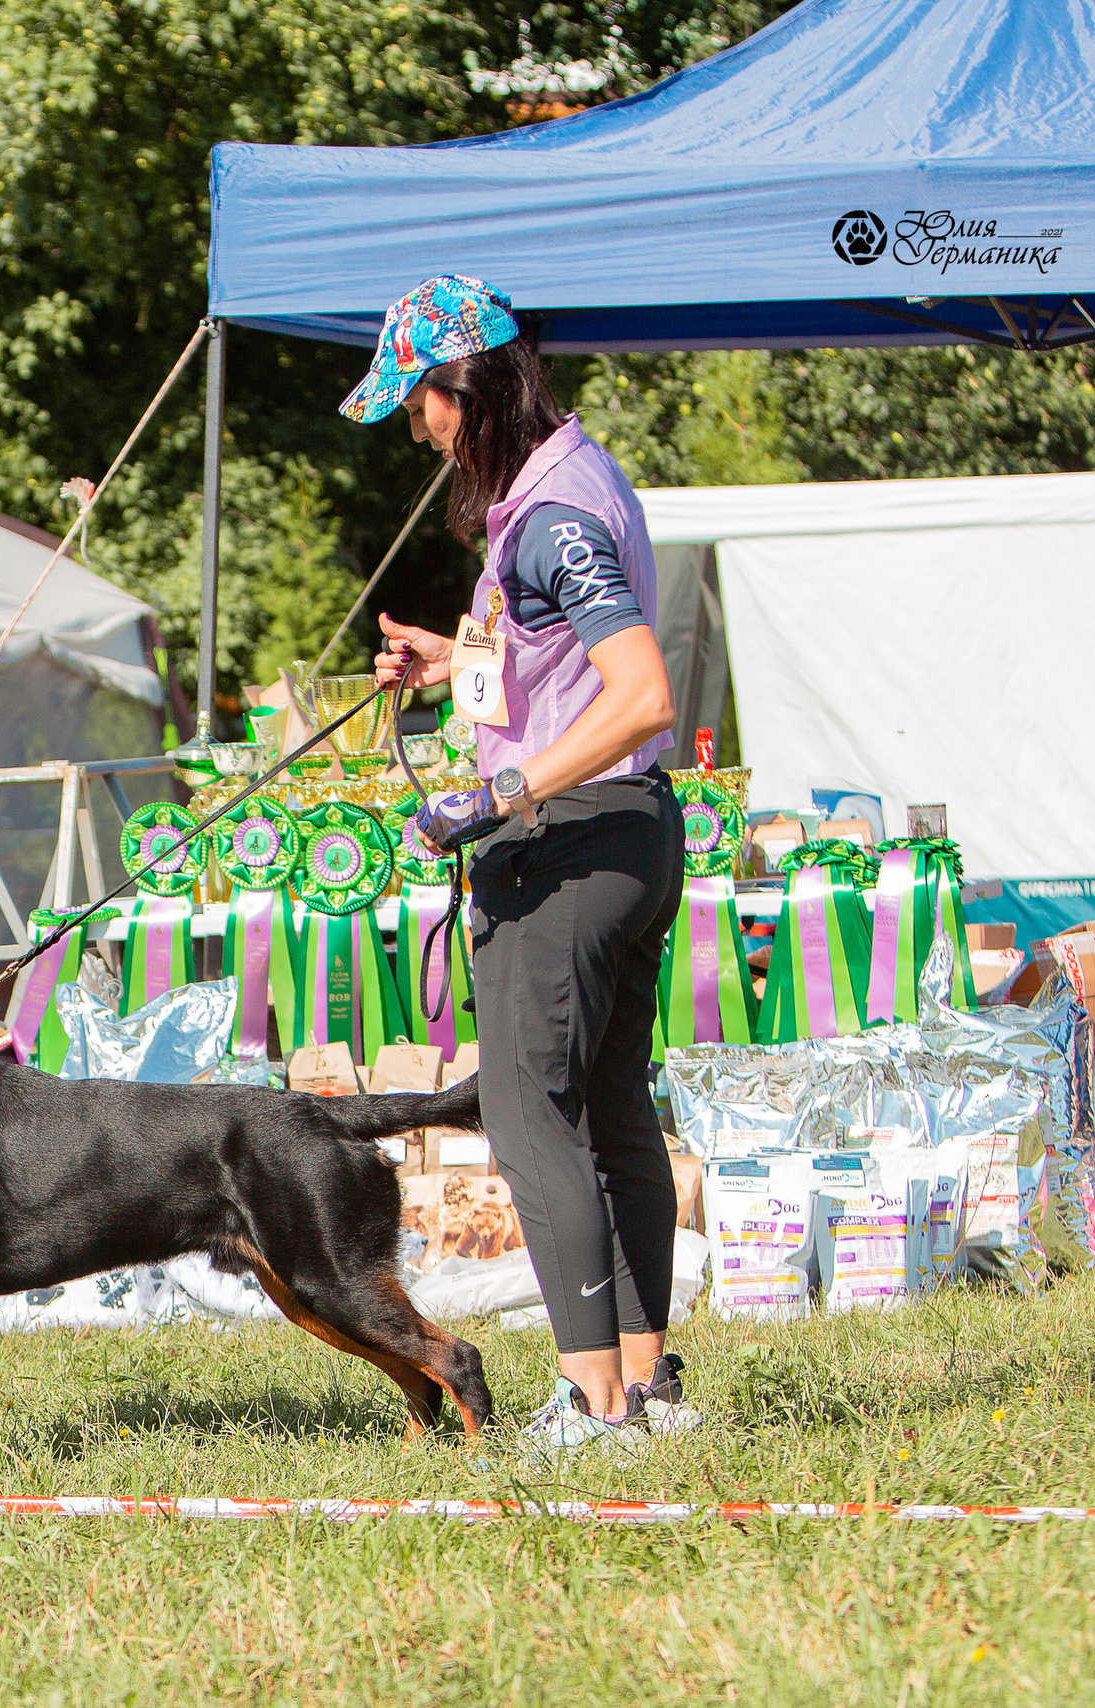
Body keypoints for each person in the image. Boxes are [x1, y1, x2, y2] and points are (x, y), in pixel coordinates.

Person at [356, 275, 692, 1454]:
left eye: (418, 403)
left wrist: (505, 788)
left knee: (527, 1116)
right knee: (608, 1110)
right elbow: (556, 650)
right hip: (630, 830)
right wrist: (455, 662)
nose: (416, 428)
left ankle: (594, 1406)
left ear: (465, 387)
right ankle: (648, 1392)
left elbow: (643, 691)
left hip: (566, 847)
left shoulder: (548, 517)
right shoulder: (566, 477)